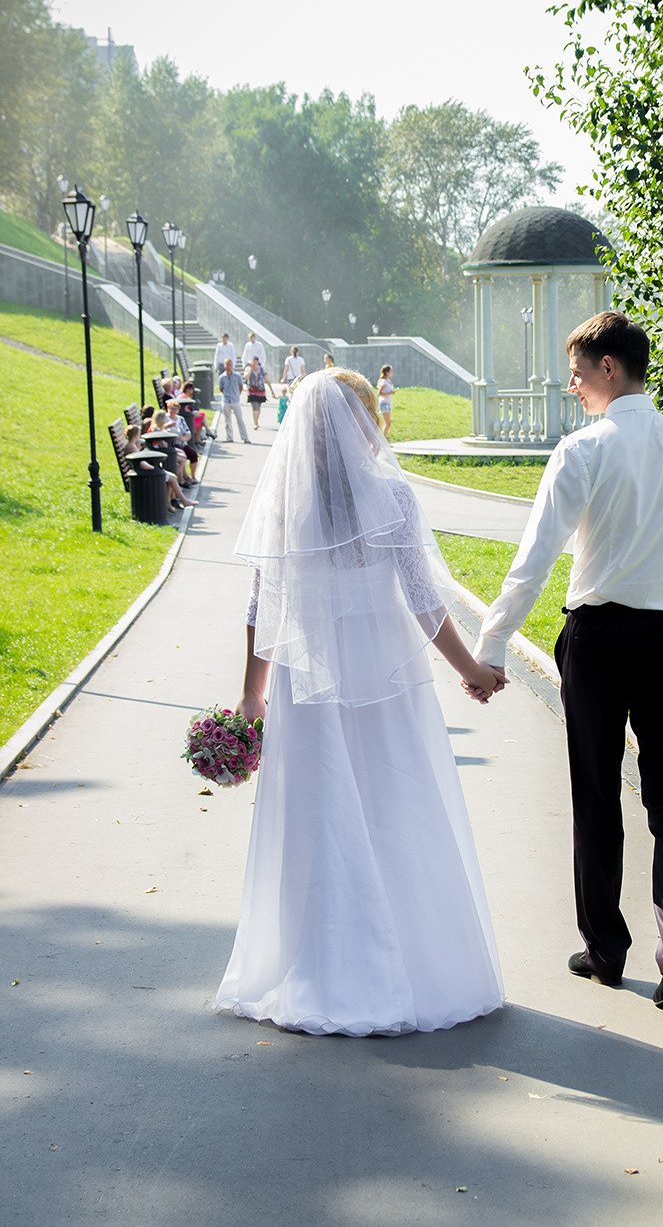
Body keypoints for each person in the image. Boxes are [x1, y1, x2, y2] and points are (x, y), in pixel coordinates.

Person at [214, 368, 505, 1036]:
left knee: (318, 818)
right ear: (363, 423)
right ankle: (415, 962)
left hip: (306, 684)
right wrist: (475, 671)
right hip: (382, 681)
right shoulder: (393, 498)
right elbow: (424, 603)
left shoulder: (285, 505)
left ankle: (316, 965)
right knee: (396, 808)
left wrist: (251, 694)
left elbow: (263, 609)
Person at [470, 311, 663, 1013]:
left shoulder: (583, 450)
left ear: (610, 368)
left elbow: (535, 559)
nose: (573, 384)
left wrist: (492, 644)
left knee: (595, 794)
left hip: (598, 636)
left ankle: (605, 950)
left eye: (579, 372)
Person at [124, 425, 197, 511]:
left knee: (170, 476)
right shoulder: (131, 446)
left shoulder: (133, 445)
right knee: (172, 478)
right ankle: (182, 501)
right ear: (136, 435)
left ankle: (168, 503)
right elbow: (140, 462)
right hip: (143, 473)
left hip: (142, 471)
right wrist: (152, 468)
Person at [219, 358, 251, 443]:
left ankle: (244, 437)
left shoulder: (237, 376)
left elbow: (241, 387)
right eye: (227, 365)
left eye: (230, 364)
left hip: (235, 400)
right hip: (226, 400)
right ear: (224, 366)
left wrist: (237, 394)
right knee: (227, 420)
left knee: (240, 419)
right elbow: (221, 388)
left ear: (232, 365)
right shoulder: (222, 377)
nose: (229, 367)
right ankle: (229, 437)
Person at [245, 357, 267, 430]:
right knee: (254, 406)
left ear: (257, 362)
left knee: (258, 407)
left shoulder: (261, 369)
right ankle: (255, 423)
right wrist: (251, 369)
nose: (253, 362)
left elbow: (266, 379)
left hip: (260, 390)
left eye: (255, 361)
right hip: (252, 390)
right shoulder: (248, 368)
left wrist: (272, 390)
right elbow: (246, 377)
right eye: (252, 361)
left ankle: (256, 421)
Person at [376, 365, 396, 436]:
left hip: (387, 402)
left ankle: (384, 441)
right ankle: (383, 441)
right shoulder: (383, 381)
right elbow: (379, 393)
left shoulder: (388, 381)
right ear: (387, 372)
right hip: (384, 403)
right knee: (388, 423)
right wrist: (390, 393)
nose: (392, 373)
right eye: (391, 371)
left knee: (388, 423)